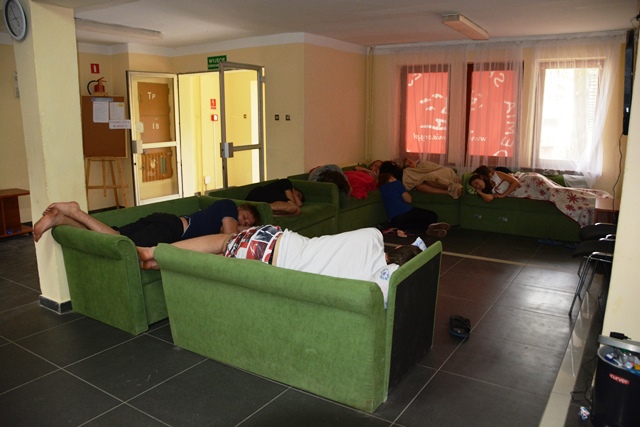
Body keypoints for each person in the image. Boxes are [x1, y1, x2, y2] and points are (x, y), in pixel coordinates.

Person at [137, 225, 423, 306]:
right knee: (213, 265)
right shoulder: (370, 280)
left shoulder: (373, 236)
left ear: (395, 250)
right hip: (270, 267)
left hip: (276, 239)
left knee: (225, 241)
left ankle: (153, 251)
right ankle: (159, 262)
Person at [33, 198, 259, 246]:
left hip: (164, 222)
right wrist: (243, 230)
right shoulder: (227, 205)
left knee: (110, 233)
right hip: (171, 229)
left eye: (248, 223)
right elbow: (230, 239)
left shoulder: (218, 217)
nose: (245, 222)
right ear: (239, 209)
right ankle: (75, 211)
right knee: (122, 243)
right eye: (245, 217)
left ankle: (61, 218)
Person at [468, 166, 613, 227]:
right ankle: (592, 201)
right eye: (475, 186)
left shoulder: (497, 174)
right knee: (560, 194)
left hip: (531, 182)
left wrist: (504, 194)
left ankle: (596, 199)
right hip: (529, 192)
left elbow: (516, 182)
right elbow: (489, 199)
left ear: (481, 176)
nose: (477, 185)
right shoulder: (491, 189)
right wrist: (479, 191)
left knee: (558, 194)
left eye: (477, 182)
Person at [378, 173, 451, 238]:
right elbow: (408, 200)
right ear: (391, 178)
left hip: (394, 221)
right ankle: (431, 227)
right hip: (404, 212)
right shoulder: (396, 183)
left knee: (412, 225)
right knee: (432, 216)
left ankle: (429, 228)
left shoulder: (381, 188)